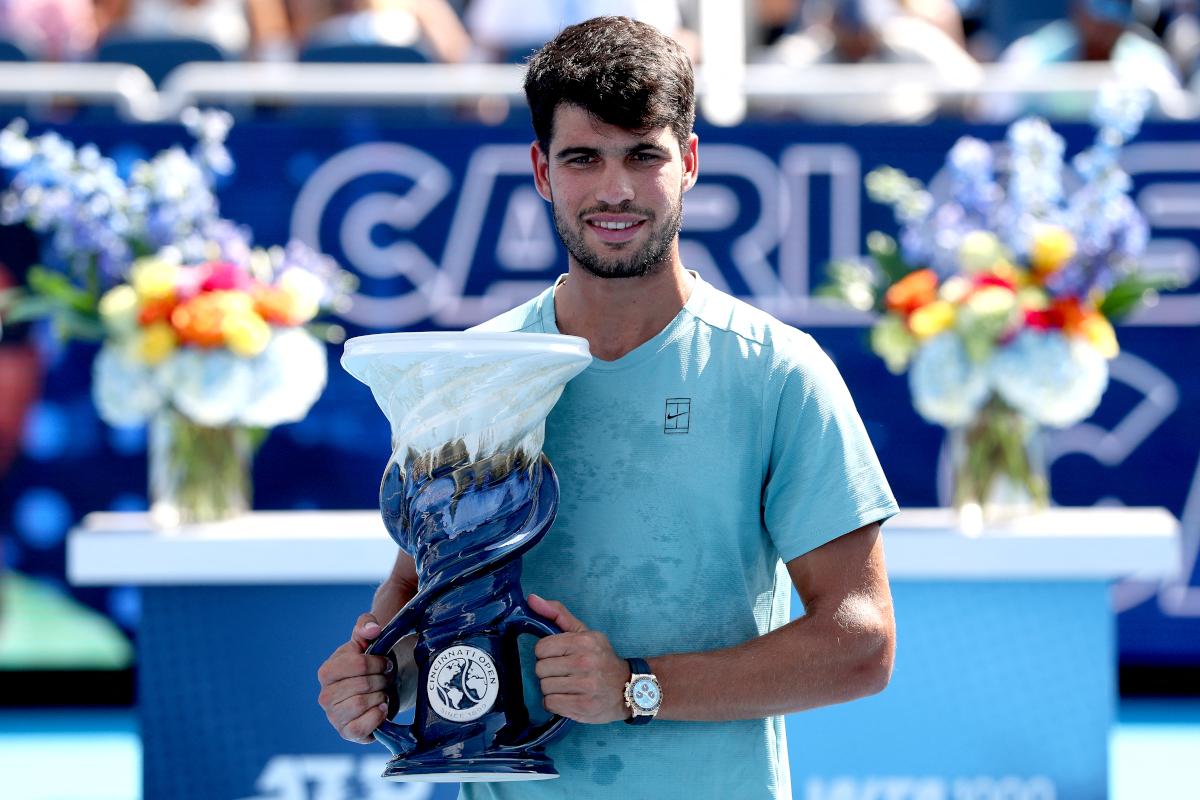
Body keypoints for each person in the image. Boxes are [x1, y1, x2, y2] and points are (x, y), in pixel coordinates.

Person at [317, 15, 898, 799]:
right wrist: (371, 681)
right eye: (583, 158)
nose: (615, 190)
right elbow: (422, 596)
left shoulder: (779, 372)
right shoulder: (468, 373)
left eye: (643, 156)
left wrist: (636, 687)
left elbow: (861, 644)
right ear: (541, 170)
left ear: (689, 162)